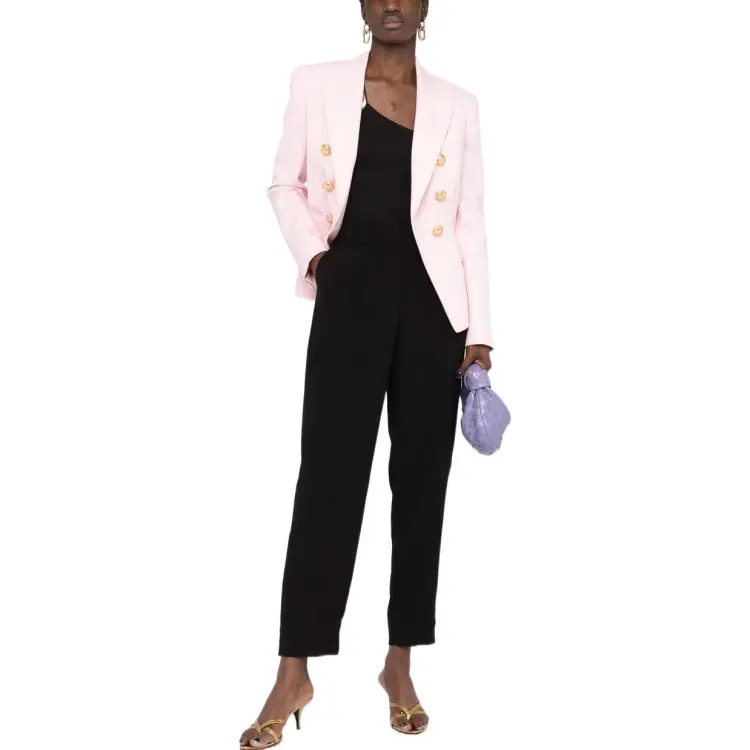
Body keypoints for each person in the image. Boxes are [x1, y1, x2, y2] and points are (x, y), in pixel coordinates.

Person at [240, 0, 493, 745]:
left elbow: (470, 220)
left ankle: (399, 663)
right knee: (327, 483)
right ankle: (294, 669)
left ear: (425, 7)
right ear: (361, 3)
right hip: (349, 300)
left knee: (421, 489)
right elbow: (283, 184)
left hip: (435, 312)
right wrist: (319, 259)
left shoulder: (458, 104)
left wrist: (480, 335)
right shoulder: (316, 83)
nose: (391, 4)